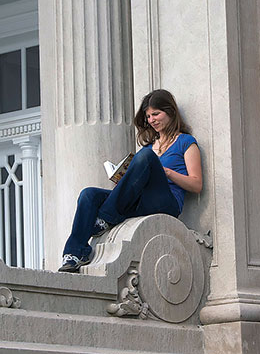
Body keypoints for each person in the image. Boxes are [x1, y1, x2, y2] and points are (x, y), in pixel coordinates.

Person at [59, 89, 203, 272]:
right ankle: (74, 254)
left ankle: (106, 217)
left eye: (156, 114)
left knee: (145, 157)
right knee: (89, 194)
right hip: (141, 201)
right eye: (149, 116)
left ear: (171, 112)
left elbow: (196, 184)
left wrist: (167, 172)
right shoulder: (151, 146)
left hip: (167, 202)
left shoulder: (185, 142)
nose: (152, 120)